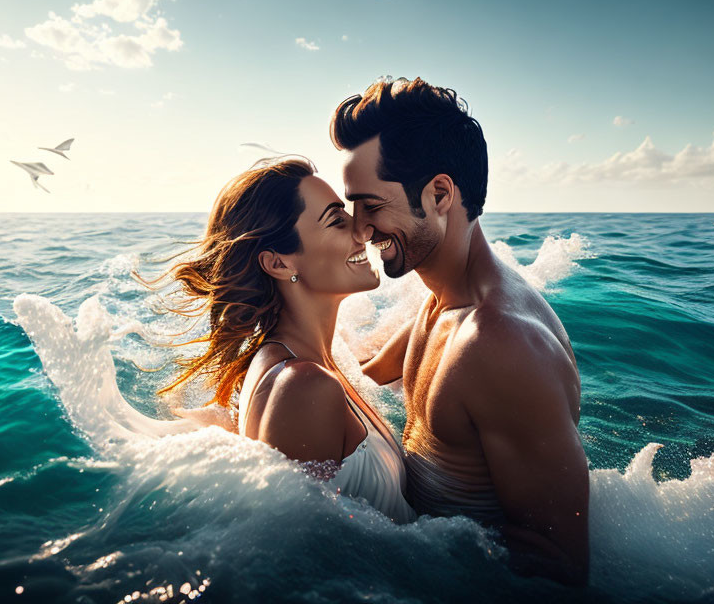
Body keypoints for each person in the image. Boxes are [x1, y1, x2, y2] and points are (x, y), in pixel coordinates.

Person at [330, 77, 590, 584]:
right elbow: (358, 376)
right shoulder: (441, 303)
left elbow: (559, 570)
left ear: (440, 193)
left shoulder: (501, 344)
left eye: (372, 206)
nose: (359, 228)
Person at [145, 157, 415, 524]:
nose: (363, 231)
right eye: (337, 220)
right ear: (279, 264)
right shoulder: (306, 386)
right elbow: (305, 561)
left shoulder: (308, 362)